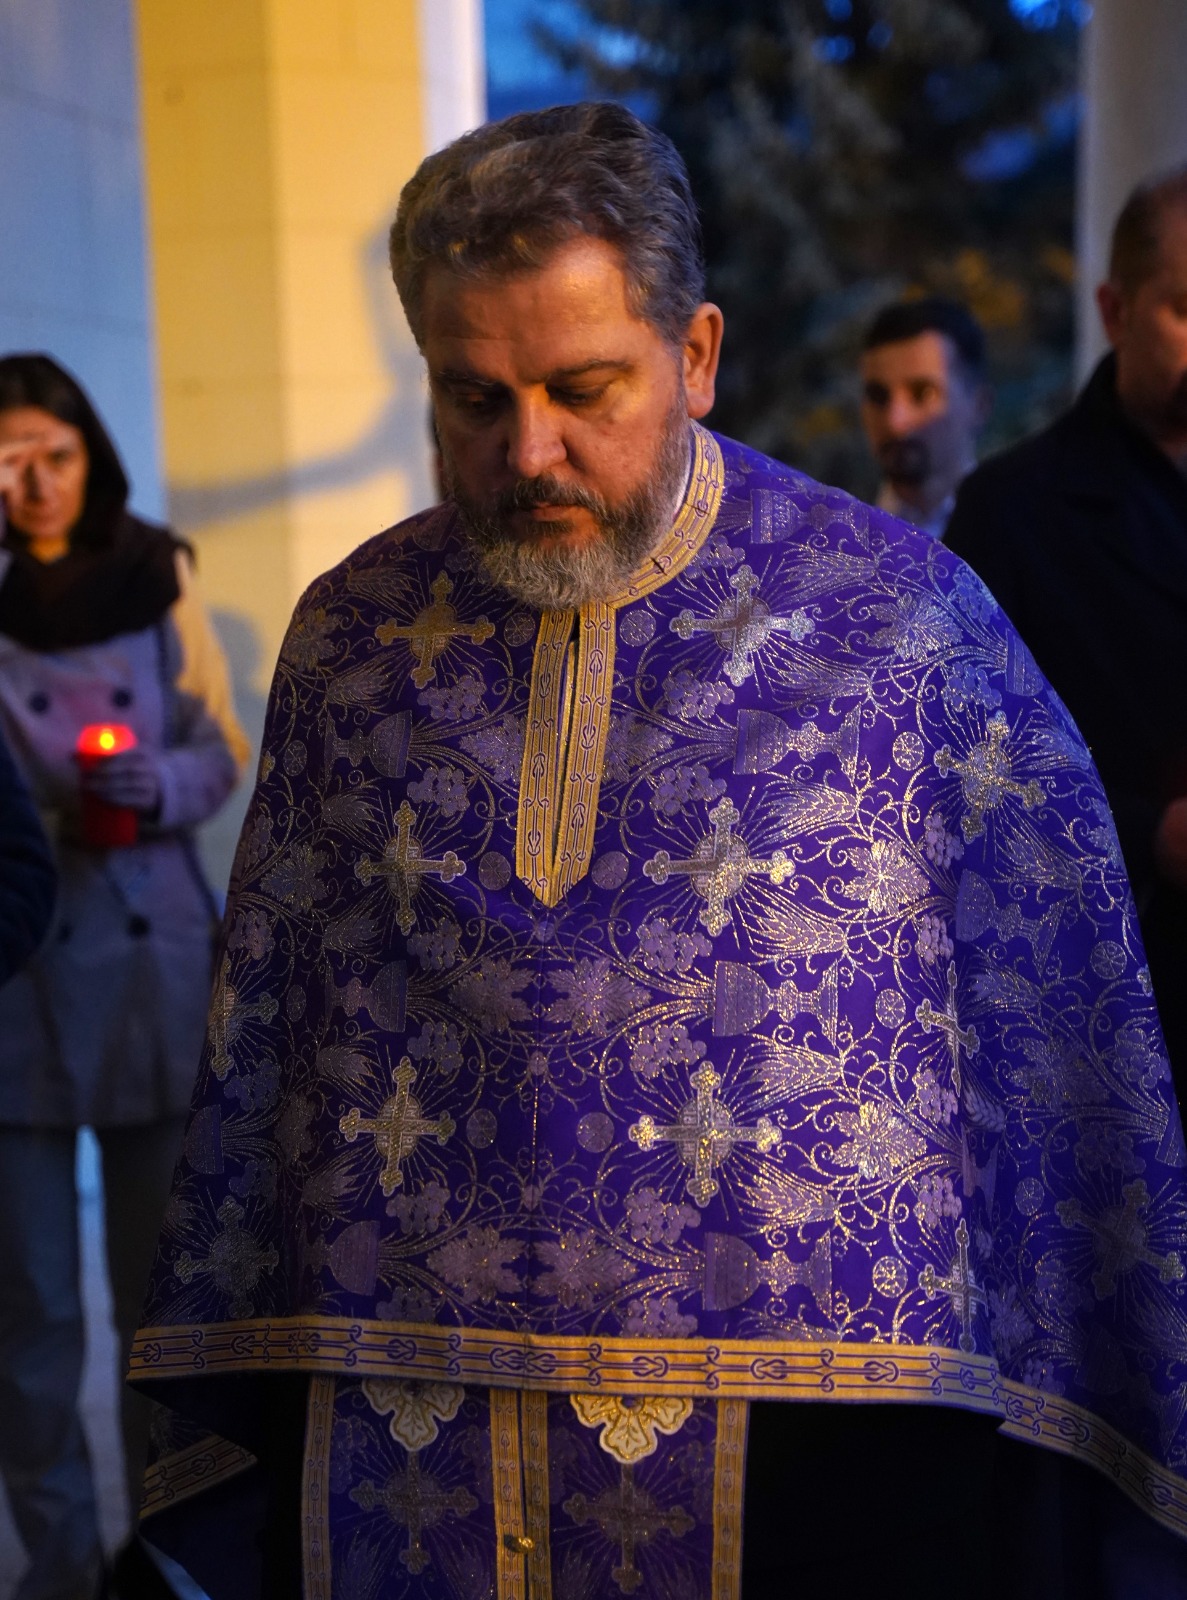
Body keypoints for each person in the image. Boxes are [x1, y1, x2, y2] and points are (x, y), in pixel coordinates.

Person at [130, 106, 1187, 1598]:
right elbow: (273, 1057)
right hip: (410, 1414)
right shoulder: (352, 645)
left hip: (818, 1456)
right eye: (471, 398)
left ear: (692, 354)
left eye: (582, 389)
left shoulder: (897, 627)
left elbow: (1060, 1028)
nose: (526, 453)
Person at [0, 354, 250, 1600]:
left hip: (149, 954)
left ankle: (160, 1562)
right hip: (20, 972)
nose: (35, 483)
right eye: (6, 462)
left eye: (54, 453)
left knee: (162, 1302)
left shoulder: (157, 572)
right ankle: (57, 1571)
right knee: (31, 1316)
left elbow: (219, 742)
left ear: (90, 453)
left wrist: (160, 782)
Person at [946, 166, 1187, 1109]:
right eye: (1185, 310)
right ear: (1114, 311)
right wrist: (1149, 832)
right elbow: (966, 768)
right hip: (1116, 1016)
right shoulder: (1011, 513)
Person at [860, 296, 989, 539]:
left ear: (979, 405)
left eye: (922, 394)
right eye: (878, 396)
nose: (895, 422)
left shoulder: (1022, 527)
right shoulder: (836, 527)